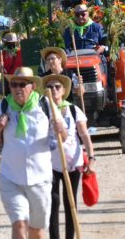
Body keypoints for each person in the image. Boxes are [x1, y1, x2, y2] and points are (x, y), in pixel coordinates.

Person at [0, 67, 66, 239]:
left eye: (22, 84)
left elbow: (64, 137)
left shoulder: (45, 104)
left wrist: (61, 130)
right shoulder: (4, 106)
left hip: (40, 180)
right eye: (13, 84)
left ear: (32, 86)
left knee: (36, 231)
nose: (16, 88)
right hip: (11, 179)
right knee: (20, 224)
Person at [43, 74, 96, 239]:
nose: (54, 90)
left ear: (64, 90)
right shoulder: (42, 110)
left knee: (70, 203)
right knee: (53, 202)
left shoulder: (73, 109)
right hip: (50, 163)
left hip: (72, 162)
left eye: (57, 87)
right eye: (50, 87)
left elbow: (84, 134)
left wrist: (92, 158)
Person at [63, 3, 108, 75]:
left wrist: (102, 47)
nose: (80, 17)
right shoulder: (69, 30)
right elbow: (67, 47)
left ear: (88, 14)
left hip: (95, 56)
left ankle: (107, 84)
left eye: (83, 14)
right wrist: (67, 54)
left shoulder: (97, 27)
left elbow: (104, 43)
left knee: (103, 59)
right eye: (77, 15)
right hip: (76, 58)